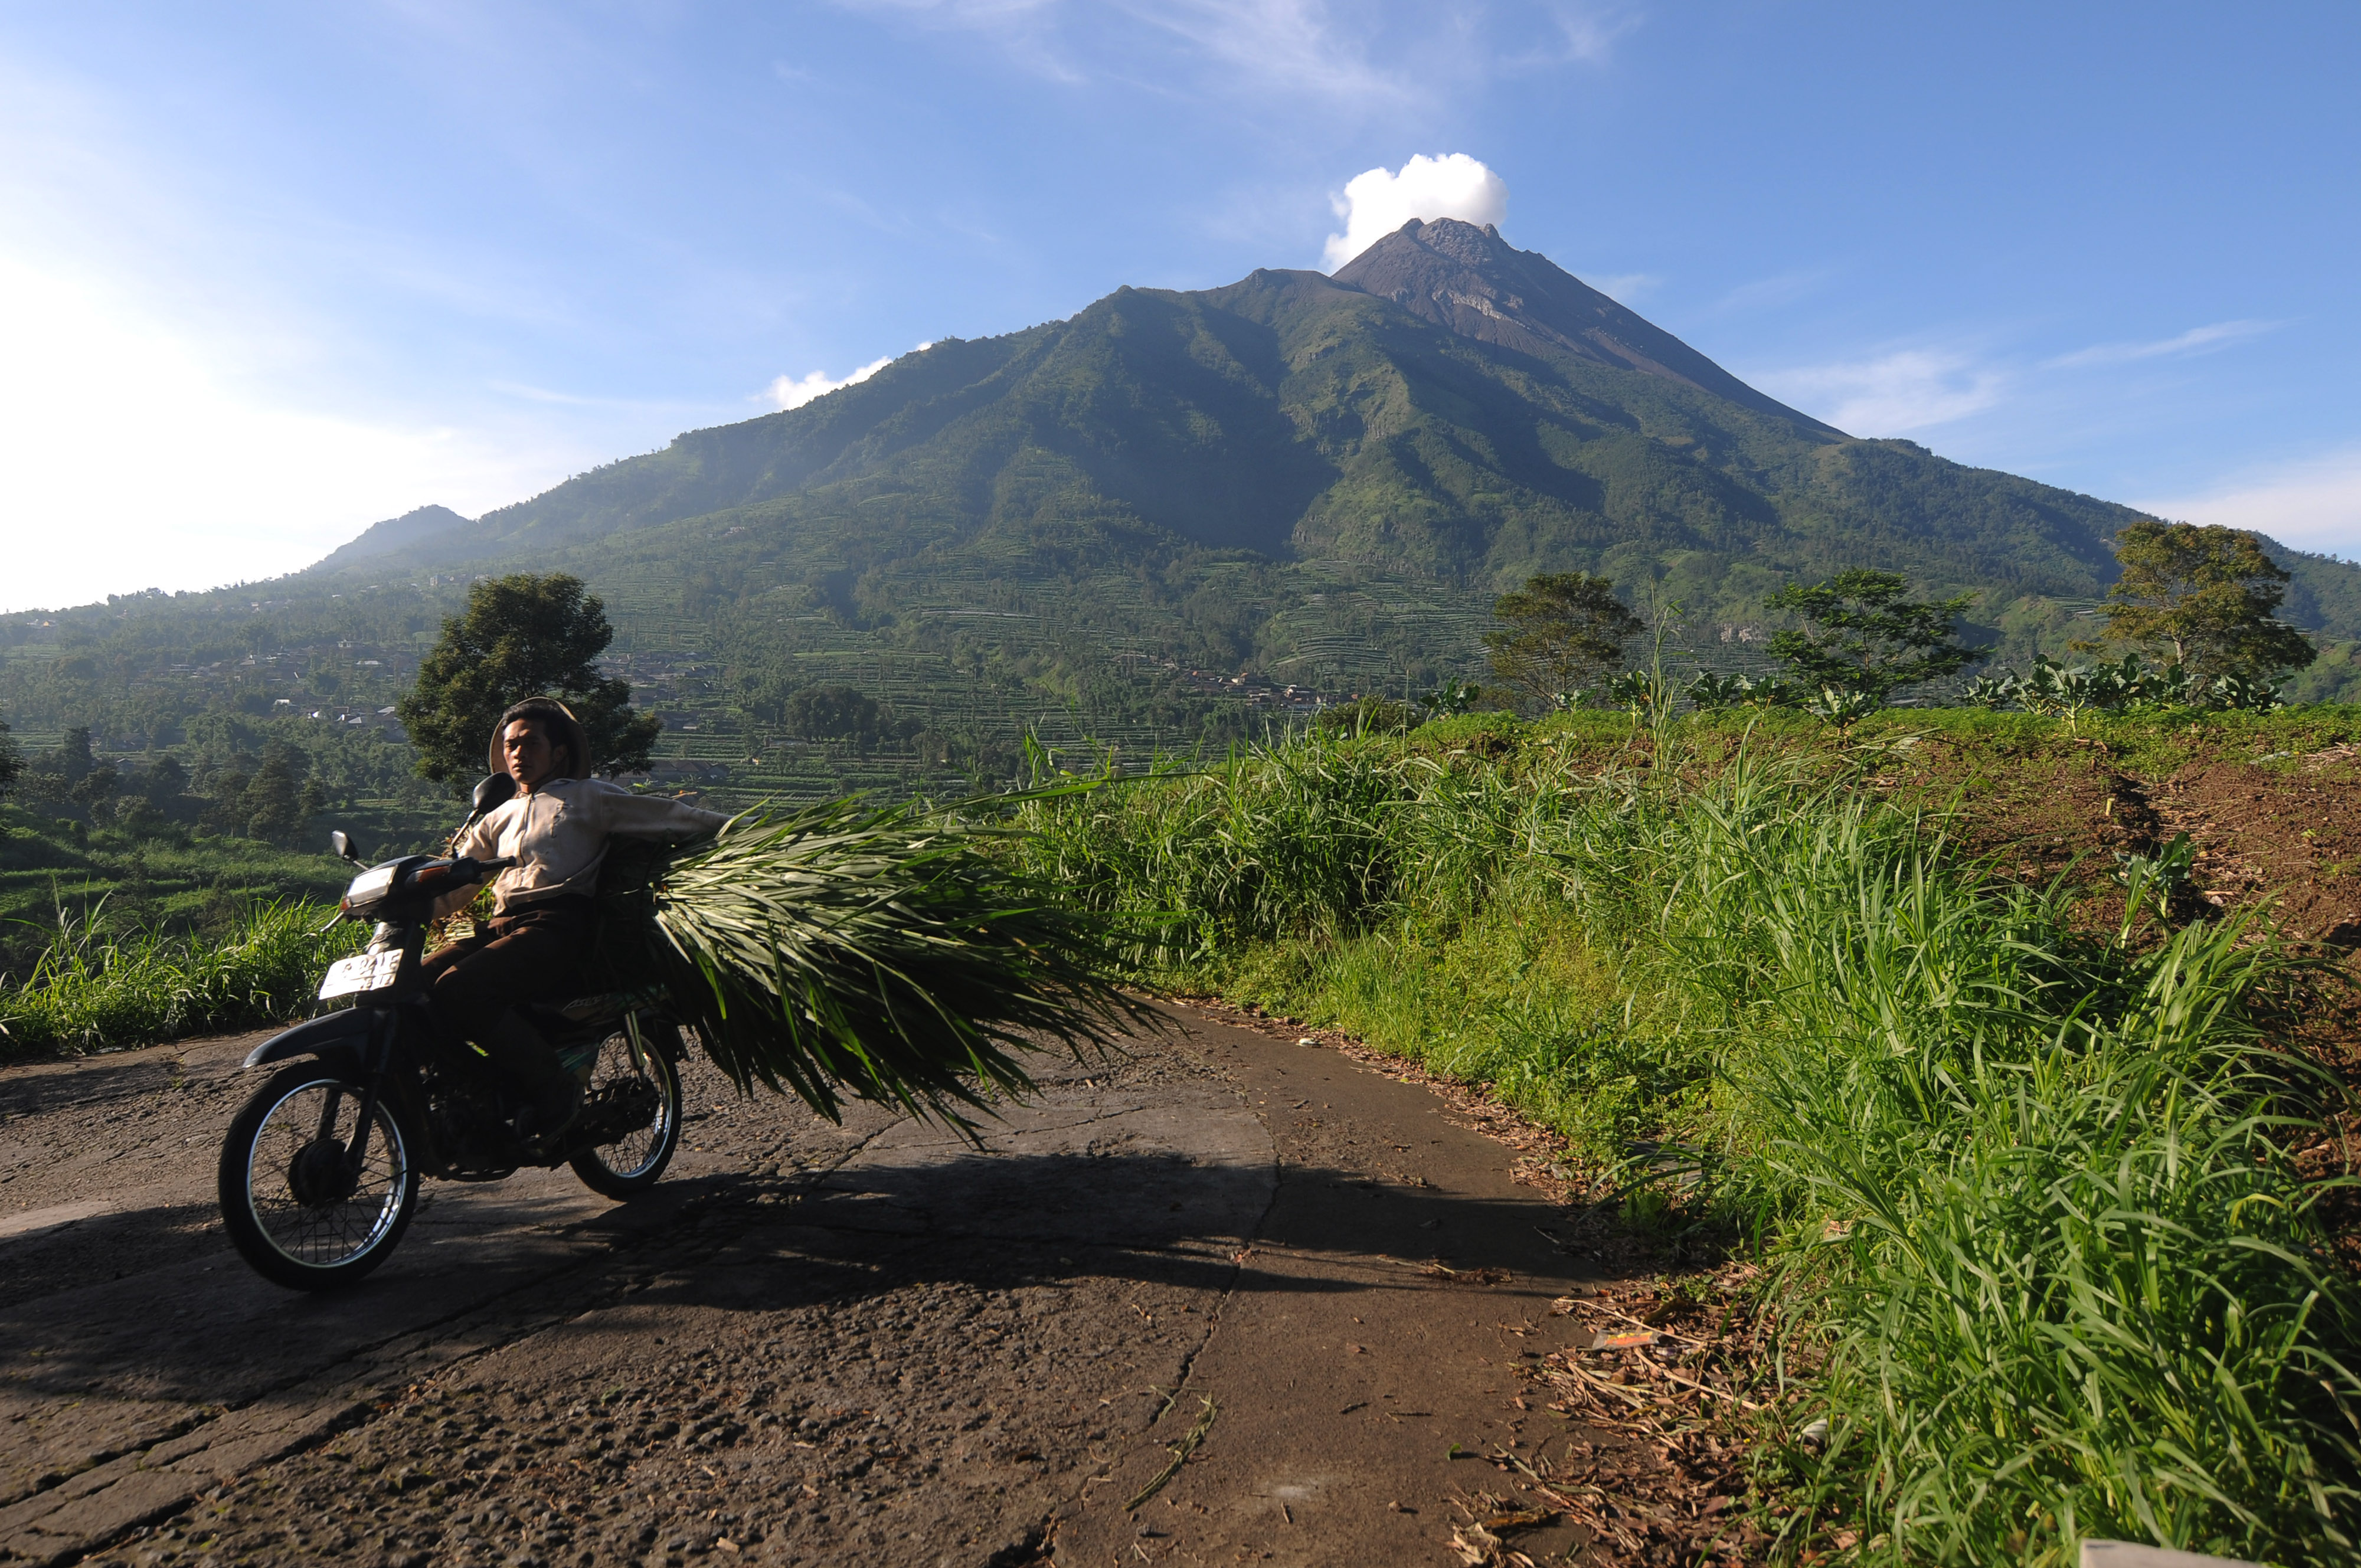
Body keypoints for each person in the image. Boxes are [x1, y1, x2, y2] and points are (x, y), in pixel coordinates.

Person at [421, 697, 727, 1141]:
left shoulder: (588, 797)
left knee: (459, 988)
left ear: (559, 752)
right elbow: (455, 885)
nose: (518, 753)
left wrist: (741, 829)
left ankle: (553, 1087)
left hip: (558, 926)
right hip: (502, 925)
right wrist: (399, 904)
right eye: (510, 745)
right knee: (416, 984)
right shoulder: (495, 818)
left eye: (530, 742)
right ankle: (469, 1087)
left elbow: (672, 816)